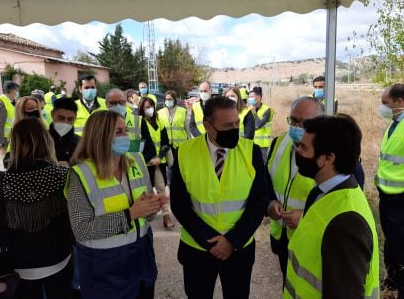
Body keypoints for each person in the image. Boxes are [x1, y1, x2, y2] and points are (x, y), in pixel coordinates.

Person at [171, 96, 269, 299]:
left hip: (239, 249)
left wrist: (232, 241)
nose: (234, 129)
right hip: (198, 249)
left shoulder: (251, 151)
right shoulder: (184, 152)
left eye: (236, 123)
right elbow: (179, 205)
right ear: (208, 125)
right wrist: (212, 243)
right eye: (227, 126)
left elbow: (259, 201)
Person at [66, 110, 165, 299]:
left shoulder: (136, 161)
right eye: (118, 132)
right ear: (100, 136)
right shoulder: (81, 174)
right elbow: (82, 229)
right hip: (104, 265)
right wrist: (130, 215)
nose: (126, 136)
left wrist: (153, 206)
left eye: (125, 130)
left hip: (142, 255)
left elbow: (147, 216)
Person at [283, 114, 379, 299]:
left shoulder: (347, 222)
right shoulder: (321, 193)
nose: (297, 151)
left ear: (328, 158)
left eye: (304, 147)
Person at [0, 117, 74, 299]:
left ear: (14, 144)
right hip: (59, 258)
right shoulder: (63, 175)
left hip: (17, 267)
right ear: (46, 141)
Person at [266, 97, 324, 278]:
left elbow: (340, 199)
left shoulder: (330, 153)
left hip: (311, 240)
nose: (297, 126)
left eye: (304, 122)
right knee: (289, 285)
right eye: (293, 120)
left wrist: (306, 218)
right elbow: (267, 181)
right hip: (281, 235)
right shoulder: (278, 144)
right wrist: (270, 203)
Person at [375, 84, 404, 297]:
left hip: (400, 198)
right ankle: (392, 280)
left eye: (386, 103)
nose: (382, 108)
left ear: (400, 102)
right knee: (391, 241)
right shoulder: (395, 124)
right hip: (387, 195)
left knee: (400, 244)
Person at [138, 97, 175, 229]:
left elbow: (165, 143)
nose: (150, 109)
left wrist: (159, 157)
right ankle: (144, 218)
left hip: (159, 162)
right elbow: (138, 145)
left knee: (161, 189)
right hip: (145, 164)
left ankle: (166, 216)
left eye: (151, 106)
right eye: (147, 107)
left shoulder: (159, 122)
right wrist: (149, 159)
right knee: (145, 192)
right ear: (142, 108)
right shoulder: (139, 123)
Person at [106, 88, 153, 153]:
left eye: (121, 102)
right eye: (113, 103)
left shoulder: (138, 120)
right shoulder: (101, 123)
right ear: (106, 104)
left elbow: (150, 149)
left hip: (135, 162)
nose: (118, 105)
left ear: (125, 103)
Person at [49, 97, 80, 167]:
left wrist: (71, 167)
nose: (65, 122)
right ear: (52, 114)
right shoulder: (40, 140)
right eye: (61, 118)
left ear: (75, 118)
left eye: (70, 119)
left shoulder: (80, 143)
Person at [0, 81, 19, 152]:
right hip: (5, 140)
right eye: (16, 91)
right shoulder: (1, 104)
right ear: (12, 91)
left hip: (10, 138)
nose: (17, 93)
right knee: (8, 160)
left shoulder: (8, 102)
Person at [249, 87, 274, 162]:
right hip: (251, 143)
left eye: (251, 97)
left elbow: (257, 125)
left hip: (262, 144)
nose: (249, 99)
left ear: (259, 98)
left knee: (262, 165)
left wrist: (254, 113)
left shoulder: (267, 110)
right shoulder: (249, 109)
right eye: (249, 97)